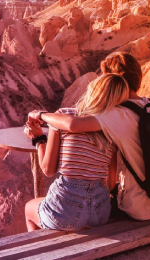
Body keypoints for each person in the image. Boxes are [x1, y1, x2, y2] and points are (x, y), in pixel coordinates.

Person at [26, 52, 150, 222]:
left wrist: (41, 118)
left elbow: (73, 125)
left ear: (110, 83)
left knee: (35, 209)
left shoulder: (116, 115)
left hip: (141, 206)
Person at [24, 74, 121, 231]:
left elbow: (48, 170)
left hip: (65, 211)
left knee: (29, 208)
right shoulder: (113, 127)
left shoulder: (62, 116)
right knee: (82, 220)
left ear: (93, 91)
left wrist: (39, 139)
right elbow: (110, 184)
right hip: (100, 213)